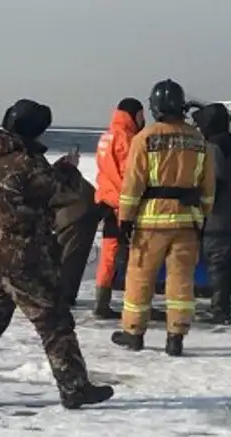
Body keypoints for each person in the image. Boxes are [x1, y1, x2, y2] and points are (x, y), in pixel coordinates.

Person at [0, 99, 114, 409]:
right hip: (23, 252)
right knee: (53, 319)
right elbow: (61, 193)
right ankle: (75, 388)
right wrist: (68, 170)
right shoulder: (25, 161)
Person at [111, 79, 215, 356]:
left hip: (150, 221)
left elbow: (133, 183)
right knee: (181, 280)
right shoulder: (198, 139)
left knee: (140, 277)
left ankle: (133, 333)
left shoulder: (144, 138)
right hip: (187, 222)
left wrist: (125, 218)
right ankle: (176, 337)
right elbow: (208, 185)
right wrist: (202, 214)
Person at [192, 103, 231, 324]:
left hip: (217, 215)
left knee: (217, 263)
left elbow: (214, 180)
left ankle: (220, 309)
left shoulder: (214, 146)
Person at [92, 98, 145, 319]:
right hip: (124, 204)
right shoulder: (128, 139)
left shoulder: (106, 136)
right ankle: (134, 303)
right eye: (142, 115)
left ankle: (101, 301)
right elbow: (130, 173)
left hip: (106, 200)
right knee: (135, 254)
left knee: (108, 252)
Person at [52, 148, 101, 309]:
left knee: (65, 259)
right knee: (71, 261)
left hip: (76, 218)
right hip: (79, 219)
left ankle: (62, 295)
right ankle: (64, 296)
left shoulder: (66, 181)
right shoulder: (72, 181)